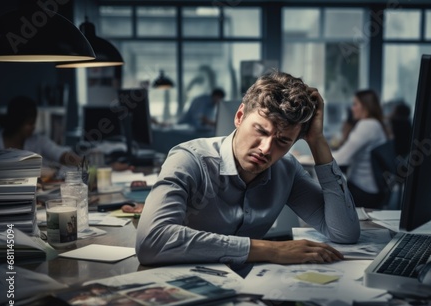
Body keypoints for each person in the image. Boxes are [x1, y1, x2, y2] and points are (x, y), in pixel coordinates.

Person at [136, 71, 360, 271]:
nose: (266, 149)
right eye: (260, 130)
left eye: (283, 141)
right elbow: (151, 241)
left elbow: (344, 232)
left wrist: (317, 141)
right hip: (182, 285)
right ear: (240, 116)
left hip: (250, 287)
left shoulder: (287, 170)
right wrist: (271, 250)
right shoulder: (189, 159)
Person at [0, 96, 82, 177]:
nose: (33, 127)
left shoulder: (38, 140)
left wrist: (84, 164)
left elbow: (60, 154)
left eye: (34, 123)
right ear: (17, 122)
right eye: (30, 123)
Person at [333, 89, 388, 209]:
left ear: (365, 106)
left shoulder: (367, 125)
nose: (352, 108)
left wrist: (314, 156)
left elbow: (342, 158)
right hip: (371, 188)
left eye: (355, 104)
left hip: (364, 190)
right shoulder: (375, 124)